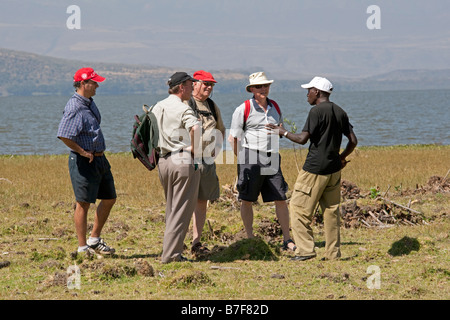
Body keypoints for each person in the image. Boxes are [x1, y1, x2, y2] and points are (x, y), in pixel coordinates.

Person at [266, 76, 358, 261]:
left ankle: (306, 250)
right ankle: (333, 254)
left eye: (309, 91)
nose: (307, 94)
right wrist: (341, 158)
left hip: (314, 170)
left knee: (299, 208)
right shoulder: (340, 111)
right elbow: (353, 141)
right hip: (333, 171)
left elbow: (302, 139)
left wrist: (281, 131)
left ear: (317, 92)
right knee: (331, 213)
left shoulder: (316, 112)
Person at [229, 71, 296, 251]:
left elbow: (281, 128)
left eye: (266, 85)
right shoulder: (243, 108)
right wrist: (242, 160)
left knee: (280, 197)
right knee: (247, 199)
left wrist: (279, 130)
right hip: (250, 156)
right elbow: (233, 138)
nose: (263, 89)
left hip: (272, 156)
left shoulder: (275, 106)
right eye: (259, 86)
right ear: (251, 89)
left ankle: (287, 239)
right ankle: (250, 237)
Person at [57, 67, 117, 256]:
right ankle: (83, 248)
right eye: (94, 82)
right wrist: (82, 152)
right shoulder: (75, 106)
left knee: (109, 198)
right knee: (83, 202)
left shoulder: (89, 103)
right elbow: (64, 134)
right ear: (84, 83)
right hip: (85, 161)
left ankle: (94, 239)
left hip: (99, 159)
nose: (97, 85)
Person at [152, 72, 201, 263]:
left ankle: (171, 251)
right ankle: (171, 256)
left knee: (172, 208)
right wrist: (195, 150)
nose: (192, 89)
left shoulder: (157, 106)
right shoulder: (183, 107)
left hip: (163, 161)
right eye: (190, 85)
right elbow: (195, 128)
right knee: (181, 210)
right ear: (182, 87)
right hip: (182, 160)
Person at [188, 70, 226, 256]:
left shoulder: (212, 105)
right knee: (183, 201)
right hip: (186, 161)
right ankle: (175, 242)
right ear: (194, 84)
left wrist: (216, 150)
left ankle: (196, 242)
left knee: (202, 201)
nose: (209, 87)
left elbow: (221, 130)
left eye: (211, 84)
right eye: (205, 83)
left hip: (207, 161)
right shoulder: (185, 103)